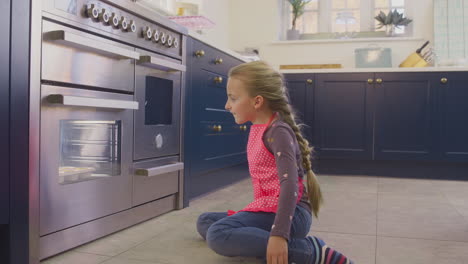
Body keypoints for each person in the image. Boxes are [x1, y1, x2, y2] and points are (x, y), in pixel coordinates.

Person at [196, 61, 353, 264]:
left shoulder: (278, 132)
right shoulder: (260, 127)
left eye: (233, 98)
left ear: (257, 101)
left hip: (291, 215)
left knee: (217, 235)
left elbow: (289, 186)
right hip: (268, 208)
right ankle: (262, 243)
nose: (227, 105)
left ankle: (309, 251)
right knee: (205, 221)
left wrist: (279, 235)